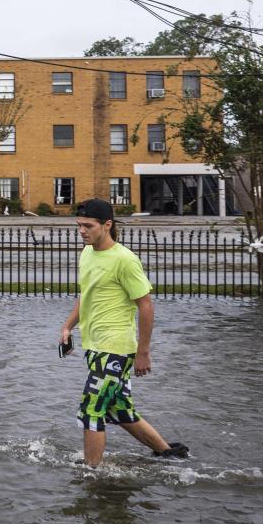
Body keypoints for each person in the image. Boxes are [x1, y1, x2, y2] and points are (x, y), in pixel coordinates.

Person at [60, 198, 189, 467]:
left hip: (116, 349)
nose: (82, 231)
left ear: (107, 225)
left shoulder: (124, 259)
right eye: (79, 225)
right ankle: (170, 454)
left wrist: (143, 352)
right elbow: (87, 294)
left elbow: (145, 304)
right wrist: (68, 326)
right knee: (119, 409)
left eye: (88, 226)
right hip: (95, 346)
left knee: (92, 409)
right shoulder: (87, 253)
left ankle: (91, 473)